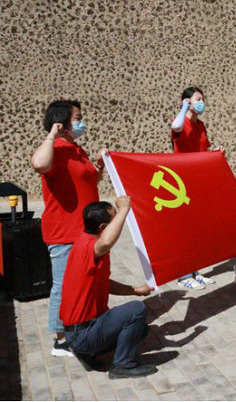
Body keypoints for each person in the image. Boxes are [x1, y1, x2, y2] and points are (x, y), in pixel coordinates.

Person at [31, 100, 103, 358]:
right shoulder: (54, 149)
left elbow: (90, 179)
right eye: (78, 118)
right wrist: (52, 134)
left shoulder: (76, 149)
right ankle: (61, 339)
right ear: (62, 123)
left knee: (84, 283)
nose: (82, 122)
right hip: (64, 231)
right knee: (63, 286)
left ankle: (81, 325)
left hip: (85, 231)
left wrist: (99, 166)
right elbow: (40, 164)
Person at [60, 198, 156, 379]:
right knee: (136, 310)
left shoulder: (86, 243)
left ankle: (89, 353)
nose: (119, 220)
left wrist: (135, 290)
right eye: (115, 218)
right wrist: (125, 209)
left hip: (83, 330)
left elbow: (105, 283)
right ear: (103, 228)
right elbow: (105, 243)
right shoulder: (88, 247)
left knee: (140, 329)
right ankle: (123, 365)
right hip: (82, 333)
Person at [170, 86, 218, 290]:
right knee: (185, 229)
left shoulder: (201, 126)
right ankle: (183, 274)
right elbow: (176, 126)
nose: (202, 102)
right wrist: (183, 108)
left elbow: (204, 150)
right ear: (187, 101)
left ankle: (196, 271)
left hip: (199, 181)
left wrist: (215, 152)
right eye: (198, 99)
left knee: (197, 228)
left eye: (203, 99)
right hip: (182, 182)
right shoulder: (182, 122)